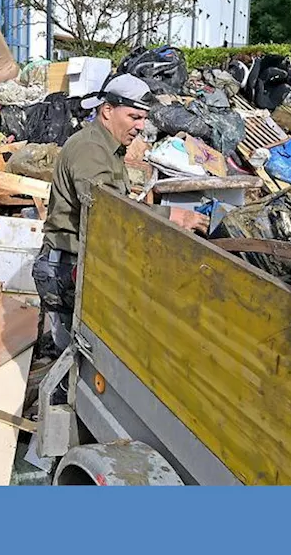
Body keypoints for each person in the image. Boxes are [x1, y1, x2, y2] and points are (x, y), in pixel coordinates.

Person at [33, 75, 209, 355]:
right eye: (133, 117)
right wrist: (170, 216)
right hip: (67, 268)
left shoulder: (107, 147)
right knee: (73, 363)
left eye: (143, 119)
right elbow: (108, 211)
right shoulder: (91, 149)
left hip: (81, 263)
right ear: (107, 111)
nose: (140, 127)